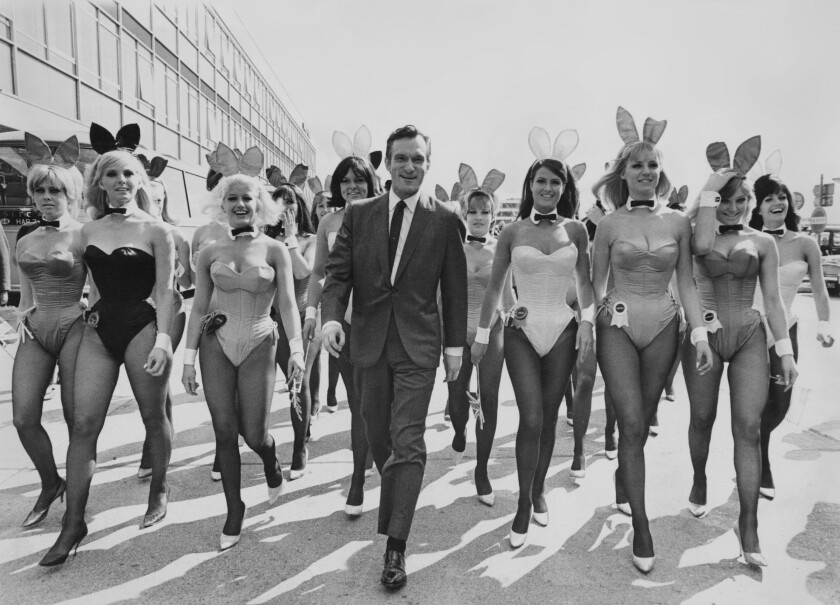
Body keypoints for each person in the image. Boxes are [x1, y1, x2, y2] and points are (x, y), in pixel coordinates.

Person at [320, 125, 467, 588]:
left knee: (408, 442)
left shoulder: (445, 219)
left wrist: (455, 349)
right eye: (401, 158)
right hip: (367, 342)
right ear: (388, 164)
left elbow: (455, 289)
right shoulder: (359, 214)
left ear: (428, 163)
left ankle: (395, 547)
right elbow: (337, 274)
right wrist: (330, 319)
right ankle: (398, 491)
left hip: (418, 345)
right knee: (377, 435)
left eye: (418, 159)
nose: (409, 167)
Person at [40, 123, 176, 566]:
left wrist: (165, 341)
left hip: (142, 325)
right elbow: (69, 277)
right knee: (82, 424)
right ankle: (73, 522)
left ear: (140, 182)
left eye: (128, 176)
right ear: (99, 182)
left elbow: (167, 292)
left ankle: (159, 488)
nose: (121, 183)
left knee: (152, 413)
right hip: (98, 330)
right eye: (112, 176)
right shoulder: (86, 231)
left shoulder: (157, 231)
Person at [590, 108, 712, 574]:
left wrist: (698, 333)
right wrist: (588, 325)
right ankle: (642, 525)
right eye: (637, 165)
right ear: (622, 173)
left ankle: (626, 473)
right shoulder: (608, 224)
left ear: (661, 173)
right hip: (616, 327)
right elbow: (595, 285)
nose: (645, 172)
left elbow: (687, 284)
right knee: (632, 423)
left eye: (652, 165)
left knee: (638, 426)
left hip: (665, 325)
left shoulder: (679, 223)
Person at [182, 144, 304, 550]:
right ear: (222, 203)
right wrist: (187, 358)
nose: (238, 204)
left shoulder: (275, 250)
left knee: (254, 433)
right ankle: (234, 509)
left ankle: (271, 464)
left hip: (259, 341)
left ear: (260, 205)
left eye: (246, 198)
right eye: (231, 198)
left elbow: (287, 302)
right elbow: (199, 304)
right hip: (215, 344)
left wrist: (299, 353)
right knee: (223, 431)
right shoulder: (210, 251)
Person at [473, 150, 594, 549]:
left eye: (555, 182)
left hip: (562, 329)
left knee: (548, 419)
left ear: (564, 188)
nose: (548, 188)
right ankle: (523, 505)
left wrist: (588, 324)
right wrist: (481, 336)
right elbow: (495, 287)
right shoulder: (511, 232)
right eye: (541, 181)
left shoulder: (577, 230)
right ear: (530, 185)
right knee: (530, 418)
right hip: (521, 333)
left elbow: (587, 285)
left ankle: (538, 488)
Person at [685, 158, 797, 567]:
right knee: (701, 417)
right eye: (725, 200)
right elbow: (695, 247)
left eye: (740, 200)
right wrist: (708, 194)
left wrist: (784, 350)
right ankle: (699, 478)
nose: (733, 208)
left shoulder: (763, 243)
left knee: (748, 429)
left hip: (750, 333)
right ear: (715, 201)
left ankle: (747, 525)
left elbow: (773, 300)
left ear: (751, 202)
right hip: (705, 336)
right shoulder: (698, 234)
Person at [13, 134, 86, 528]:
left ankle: (76, 500)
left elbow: (101, 289)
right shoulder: (26, 237)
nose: (45, 196)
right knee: (24, 417)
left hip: (76, 326)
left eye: (54, 189)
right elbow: (25, 295)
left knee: (77, 420)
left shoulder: (84, 234)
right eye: (39, 189)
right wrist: (20, 322)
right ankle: (50, 482)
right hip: (35, 330)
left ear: (70, 192)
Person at [303, 153, 382, 516]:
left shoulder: (386, 216)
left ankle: (384, 457)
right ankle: (356, 482)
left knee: (381, 402)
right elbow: (319, 272)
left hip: (382, 322)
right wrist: (312, 312)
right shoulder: (328, 222)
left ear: (371, 183)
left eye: (360, 180)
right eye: (346, 180)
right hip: (343, 323)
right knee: (357, 401)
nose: (353, 186)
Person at [749, 173, 833, 500]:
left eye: (781, 196)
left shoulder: (805, 243)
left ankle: (752, 441)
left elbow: (821, 289)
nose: (777, 202)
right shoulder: (746, 239)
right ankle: (760, 465)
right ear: (757, 205)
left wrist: (825, 325)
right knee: (756, 400)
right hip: (751, 329)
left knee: (781, 402)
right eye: (769, 197)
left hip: (787, 326)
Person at [448, 168, 510, 506]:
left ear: (493, 214)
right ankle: (459, 431)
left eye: (485, 211)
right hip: (457, 334)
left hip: (493, 333)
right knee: (457, 405)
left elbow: (510, 300)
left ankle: (482, 470)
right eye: (472, 211)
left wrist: (522, 320)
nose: (479, 217)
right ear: (463, 213)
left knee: (488, 399)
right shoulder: (451, 249)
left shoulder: (502, 249)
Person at [137, 156, 191, 479]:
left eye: (160, 199)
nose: (155, 203)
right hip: (139, 314)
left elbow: (187, 284)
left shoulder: (177, 235)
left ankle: (154, 453)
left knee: (159, 380)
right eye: (150, 197)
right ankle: (156, 443)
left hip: (171, 310)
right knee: (153, 387)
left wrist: (186, 267)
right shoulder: (134, 233)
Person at [267, 183, 317, 479]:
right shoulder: (261, 239)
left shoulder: (309, 240)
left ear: (300, 205)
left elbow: (302, 272)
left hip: (296, 321)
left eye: (291, 200)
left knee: (297, 384)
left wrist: (289, 238)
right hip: (264, 321)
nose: (285, 205)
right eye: (278, 200)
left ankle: (299, 447)